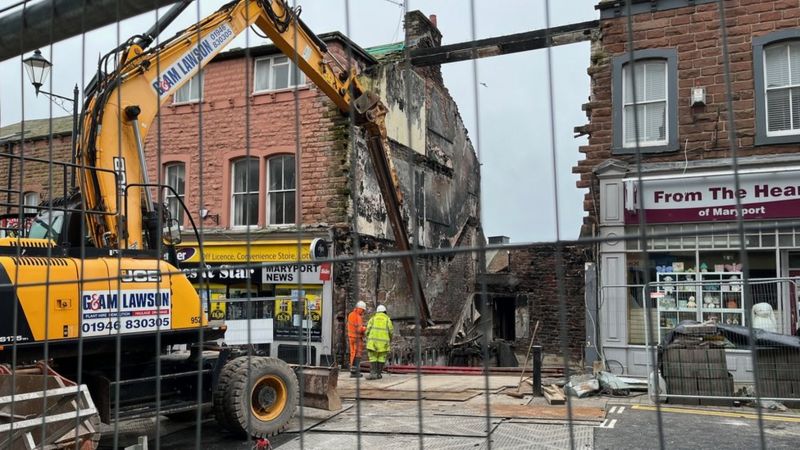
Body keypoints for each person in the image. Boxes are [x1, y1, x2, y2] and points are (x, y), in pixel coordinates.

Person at [365, 304, 393, 380]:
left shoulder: (373, 319)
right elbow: (391, 331)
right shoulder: (387, 319)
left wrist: (368, 335)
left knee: (373, 357)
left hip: (373, 343)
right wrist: (389, 339)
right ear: (385, 312)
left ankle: (373, 373)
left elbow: (367, 330)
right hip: (384, 343)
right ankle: (378, 374)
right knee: (381, 358)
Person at [346, 300, 368, 378]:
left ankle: (352, 371)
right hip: (357, 338)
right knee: (357, 354)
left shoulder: (350, 314)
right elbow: (359, 329)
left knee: (352, 353)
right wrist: (365, 328)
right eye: (363, 310)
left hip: (351, 337)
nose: (363, 312)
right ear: (360, 308)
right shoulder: (358, 317)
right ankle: (355, 372)